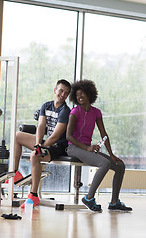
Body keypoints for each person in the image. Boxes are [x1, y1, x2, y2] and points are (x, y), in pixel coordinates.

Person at [66, 79, 132, 212]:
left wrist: (111, 154)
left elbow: (104, 134)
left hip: (86, 148)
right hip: (73, 148)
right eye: (77, 95)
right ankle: (89, 198)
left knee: (119, 166)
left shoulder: (96, 112)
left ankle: (114, 202)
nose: (80, 97)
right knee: (104, 164)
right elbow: (69, 136)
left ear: (90, 95)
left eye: (83, 94)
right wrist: (87, 148)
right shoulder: (75, 112)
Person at [7, 79, 71, 208]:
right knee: (17, 136)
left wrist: (40, 147)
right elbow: (41, 126)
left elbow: (56, 136)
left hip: (59, 146)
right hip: (45, 142)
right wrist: (37, 144)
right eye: (61, 90)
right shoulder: (46, 106)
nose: (62, 94)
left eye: (66, 93)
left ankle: (33, 195)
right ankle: (15, 173)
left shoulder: (65, 111)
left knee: (34, 155)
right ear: (55, 90)